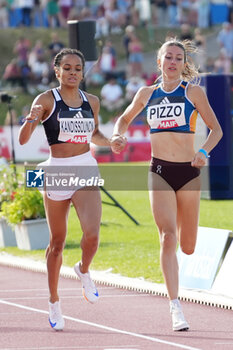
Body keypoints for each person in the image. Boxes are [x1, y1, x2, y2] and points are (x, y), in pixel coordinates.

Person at [111, 38, 223, 331]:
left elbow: (217, 130)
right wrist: (117, 135)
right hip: (158, 170)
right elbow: (123, 119)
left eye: (178, 58)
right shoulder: (146, 94)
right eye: (168, 57)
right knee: (167, 237)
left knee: (187, 246)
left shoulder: (193, 92)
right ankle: (175, 307)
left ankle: (180, 270)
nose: (172, 62)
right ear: (158, 62)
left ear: (183, 64)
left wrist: (203, 152)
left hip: (188, 173)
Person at [18, 48, 125, 331]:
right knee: (57, 242)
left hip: (85, 167)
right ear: (57, 71)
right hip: (57, 171)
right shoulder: (45, 100)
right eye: (67, 68)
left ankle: (84, 270)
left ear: (82, 72)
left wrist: (111, 141)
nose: (73, 72)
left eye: (77, 68)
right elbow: (24, 139)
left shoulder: (92, 101)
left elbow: (95, 134)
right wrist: (32, 117)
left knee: (92, 234)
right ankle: (54, 301)